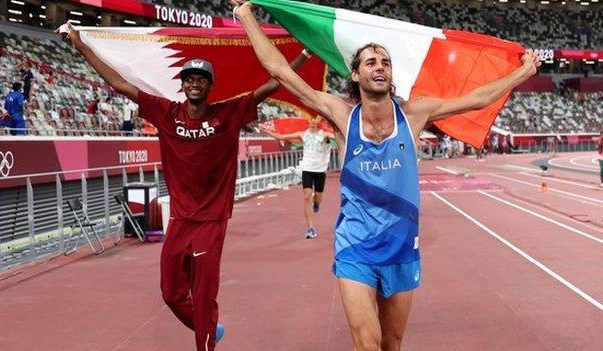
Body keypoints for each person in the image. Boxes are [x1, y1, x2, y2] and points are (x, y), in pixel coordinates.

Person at [233, 1, 540, 349]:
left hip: (401, 247)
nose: (380, 67)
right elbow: (280, 71)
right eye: (371, 62)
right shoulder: (340, 114)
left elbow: (476, 98)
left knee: (391, 343)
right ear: (355, 74)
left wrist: (522, 73)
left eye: (386, 63)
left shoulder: (414, 113)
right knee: (367, 343)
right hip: (355, 247)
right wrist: (245, 16)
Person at [59, 22, 310, 351]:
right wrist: (81, 46)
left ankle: (205, 341)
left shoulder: (227, 114)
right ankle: (208, 328)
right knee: (171, 294)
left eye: (201, 80)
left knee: (204, 296)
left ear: (210, 86)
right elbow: (119, 83)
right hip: (179, 220)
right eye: (189, 79)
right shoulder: (166, 112)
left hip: (211, 221)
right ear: (183, 85)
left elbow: (273, 84)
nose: (194, 84)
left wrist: (305, 53)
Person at [266, 116, 334, 238]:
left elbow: (336, 137)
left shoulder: (324, 134)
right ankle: (310, 228)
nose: (313, 122)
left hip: (320, 170)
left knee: (318, 197)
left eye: (315, 120)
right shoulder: (303, 134)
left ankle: (317, 203)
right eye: (311, 120)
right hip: (307, 169)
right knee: (307, 196)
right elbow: (282, 136)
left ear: (318, 122)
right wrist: (267, 131)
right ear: (308, 122)